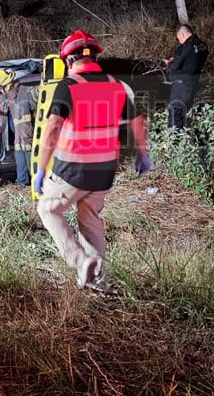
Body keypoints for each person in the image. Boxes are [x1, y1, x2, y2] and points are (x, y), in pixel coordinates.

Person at [34, 30, 151, 290]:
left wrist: (40, 169)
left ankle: (80, 260)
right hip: (104, 171)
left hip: (72, 170)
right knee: (90, 220)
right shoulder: (116, 85)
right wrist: (143, 154)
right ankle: (97, 281)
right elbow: (137, 121)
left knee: (48, 210)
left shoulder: (69, 85)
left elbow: (52, 127)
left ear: (68, 60)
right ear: (95, 57)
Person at [0, 68, 37, 186]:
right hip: (19, 140)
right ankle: (22, 183)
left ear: (6, 86)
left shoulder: (26, 92)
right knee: (20, 166)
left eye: (0, 89)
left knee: (33, 168)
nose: (0, 91)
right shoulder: (8, 97)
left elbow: (40, 94)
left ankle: (38, 186)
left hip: (30, 140)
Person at [164, 24, 208, 128]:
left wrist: (169, 63)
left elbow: (174, 66)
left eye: (179, 38)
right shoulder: (203, 45)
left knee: (175, 114)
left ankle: (174, 136)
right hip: (194, 84)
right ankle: (184, 135)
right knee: (184, 113)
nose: (180, 41)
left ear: (183, 34)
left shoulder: (185, 46)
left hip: (181, 86)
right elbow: (192, 61)